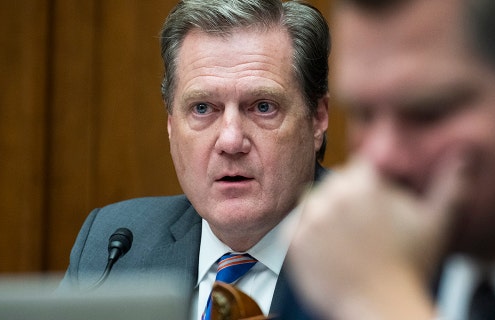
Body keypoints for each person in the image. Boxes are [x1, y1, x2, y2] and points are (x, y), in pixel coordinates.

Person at [286, 0, 495, 319]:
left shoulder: (366, 292)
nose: (381, 158)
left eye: (428, 114)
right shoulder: (335, 273)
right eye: (363, 115)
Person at [59, 0, 330, 319]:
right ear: (171, 124)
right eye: (202, 108)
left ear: (317, 119)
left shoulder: (384, 253)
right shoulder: (112, 246)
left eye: (262, 106)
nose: (231, 141)